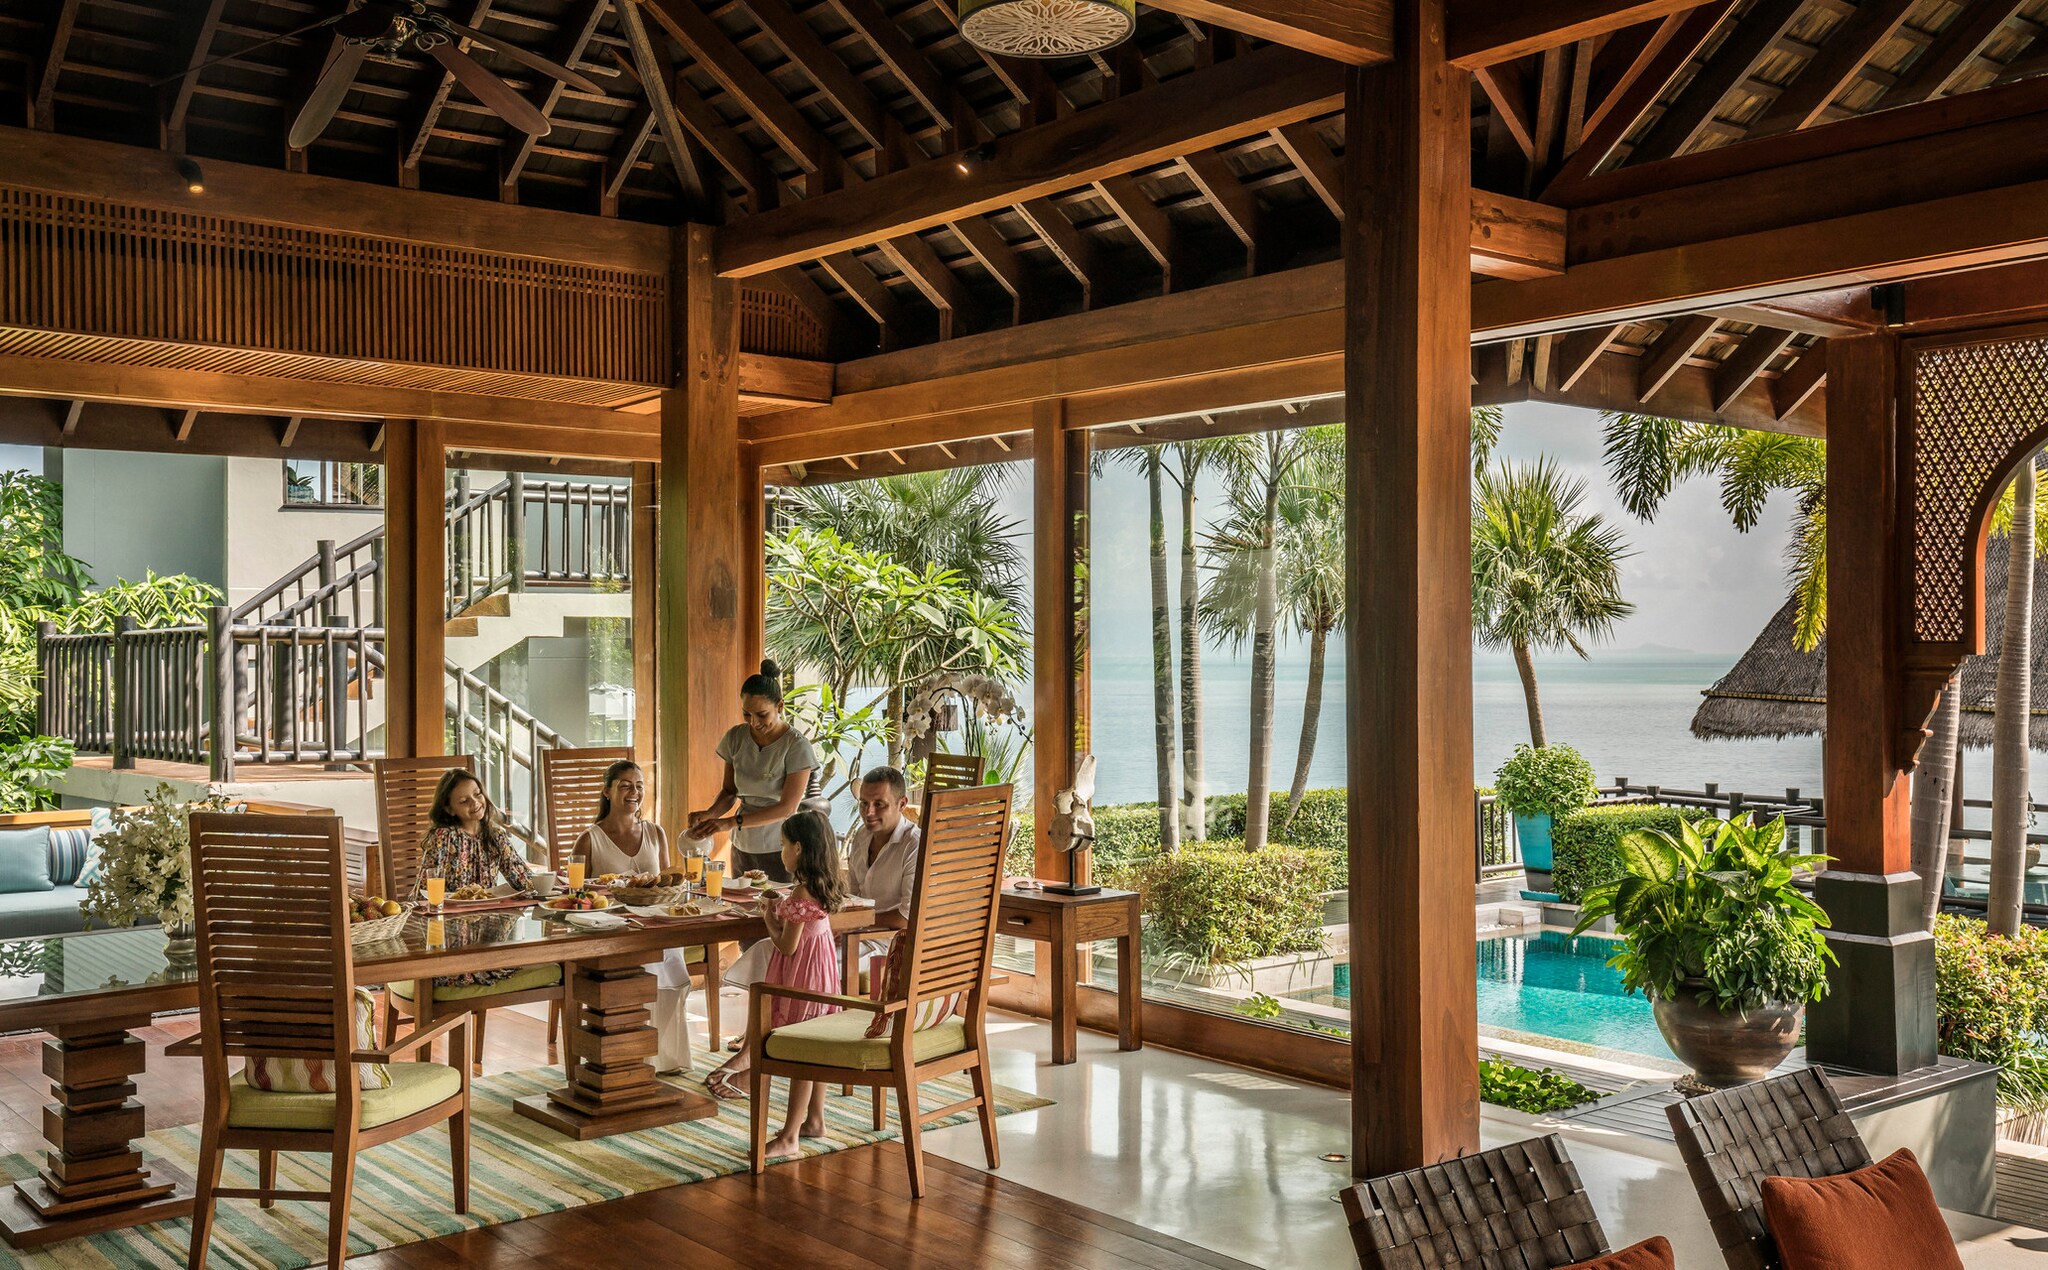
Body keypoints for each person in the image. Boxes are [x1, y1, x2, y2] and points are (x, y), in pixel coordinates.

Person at [704, 811, 846, 1126]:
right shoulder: (821, 888)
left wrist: (769, 915)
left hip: (802, 979)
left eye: (782, 845)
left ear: (798, 849)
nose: (780, 852)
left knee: (799, 1040)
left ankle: (786, 1121)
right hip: (822, 977)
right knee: (815, 1043)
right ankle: (815, 1119)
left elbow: (786, 946)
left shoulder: (801, 893)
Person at [571, 760, 692, 1075]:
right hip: (611, 929)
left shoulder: (656, 832)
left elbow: (669, 882)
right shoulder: (590, 838)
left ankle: (664, 1056)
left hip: (655, 923)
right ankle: (631, 1058)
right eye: (625, 785)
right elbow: (576, 893)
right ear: (607, 791)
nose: (634, 791)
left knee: (666, 954)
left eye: (639, 785)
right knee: (647, 959)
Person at [686, 659, 818, 884]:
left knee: (776, 909)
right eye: (747, 714)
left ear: (780, 706)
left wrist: (729, 822)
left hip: (780, 846)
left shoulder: (796, 746)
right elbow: (729, 791)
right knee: (741, 909)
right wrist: (711, 814)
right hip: (742, 844)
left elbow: (787, 808)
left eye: (762, 714)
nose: (754, 722)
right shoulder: (736, 737)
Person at [414, 769, 534, 991]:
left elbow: (522, 879)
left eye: (477, 794)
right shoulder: (443, 837)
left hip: (489, 933)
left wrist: (553, 882)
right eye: (464, 800)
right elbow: (423, 891)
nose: (475, 802)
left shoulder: (495, 835)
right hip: (448, 935)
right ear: (449, 809)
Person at [845, 765, 921, 972]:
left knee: (816, 963)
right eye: (864, 803)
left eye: (879, 804)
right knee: (771, 950)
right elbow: (853, 895)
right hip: (855, 935)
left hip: (892, 945)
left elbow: (906, 919)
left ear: (902, 803)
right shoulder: (862, 836)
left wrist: (854, 922)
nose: (868, 813)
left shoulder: (915, 845)